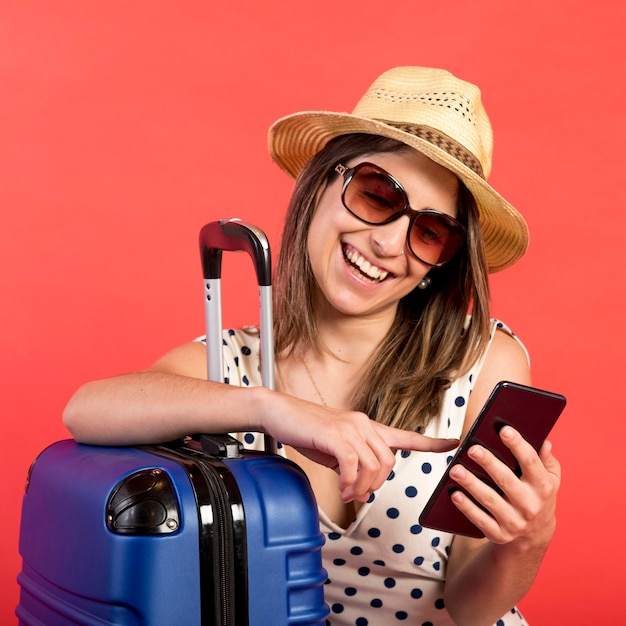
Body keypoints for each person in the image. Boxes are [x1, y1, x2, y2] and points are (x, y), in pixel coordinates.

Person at [63, 66, 560, 625]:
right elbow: (85, 410)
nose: (389, 243)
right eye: (377, 195)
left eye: (429, 231)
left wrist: (526, 543)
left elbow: (472, 610)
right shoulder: (224, 367)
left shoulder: (484, 362)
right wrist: (273, 410)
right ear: (322, 183)